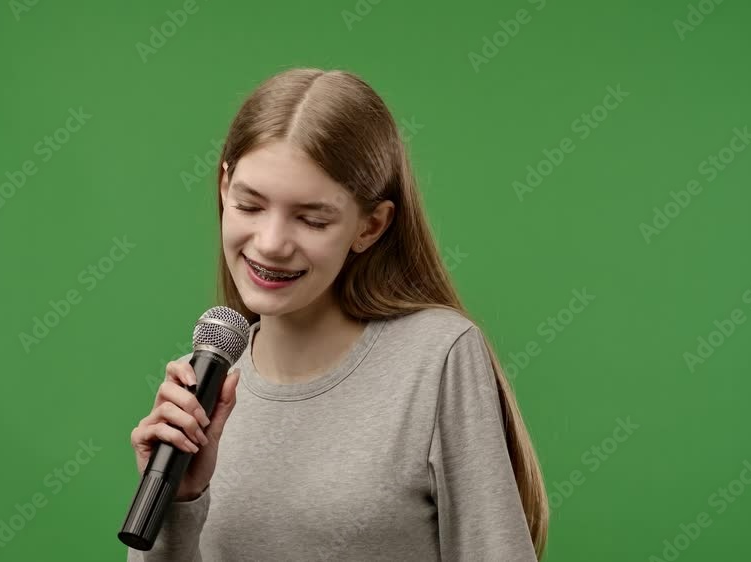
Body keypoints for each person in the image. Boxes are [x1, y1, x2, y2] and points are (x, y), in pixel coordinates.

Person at [128, 68, 548, 561]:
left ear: (370, 227)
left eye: (311, 219)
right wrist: (178, 502)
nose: (271, 243)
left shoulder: (435, 359)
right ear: (224, 188)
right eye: (250, 205)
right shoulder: (198, 394)